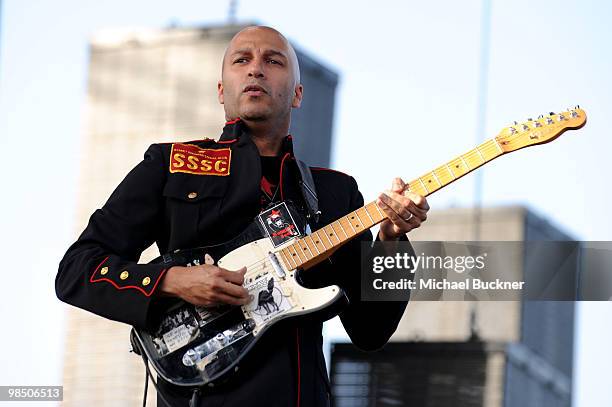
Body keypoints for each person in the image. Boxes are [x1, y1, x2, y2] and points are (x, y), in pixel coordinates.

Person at [56, 25, 430, 407]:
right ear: (221, 90)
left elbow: (372, 331)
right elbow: (76, 270)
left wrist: (391, 240)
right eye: (242, 60)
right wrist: (174, 281)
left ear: (298, 94)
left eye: (273, 60)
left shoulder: (336, 192)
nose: (256, 69)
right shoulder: (173, 164)